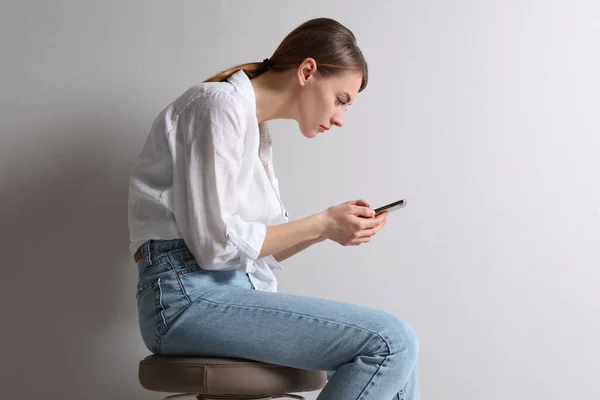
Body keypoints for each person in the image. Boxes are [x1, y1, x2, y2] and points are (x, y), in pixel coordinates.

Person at [128, 17, 419, 400]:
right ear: (308, 71)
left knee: (400, 355)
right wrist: (321, 221)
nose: (340, 118)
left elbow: (254, 250)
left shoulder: (256, 132)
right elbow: (215, 247)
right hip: (185, 299)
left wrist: (329, 228)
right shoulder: (217, 107)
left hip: (226, 291)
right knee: (391, 341)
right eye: (341, 100)